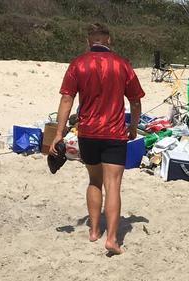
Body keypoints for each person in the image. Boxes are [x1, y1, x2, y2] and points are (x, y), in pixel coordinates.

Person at [50, 23, 145, 255]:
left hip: (88, 133)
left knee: (94, 180)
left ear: (88, 41)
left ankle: (94, 230)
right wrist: (133, 128)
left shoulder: (78, 64)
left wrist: (59, 134)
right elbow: (135, 101)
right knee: (113, 186)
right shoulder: (123, 65)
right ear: (109, 40)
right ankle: (112, 239)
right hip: (114, 133)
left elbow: (66, 100)